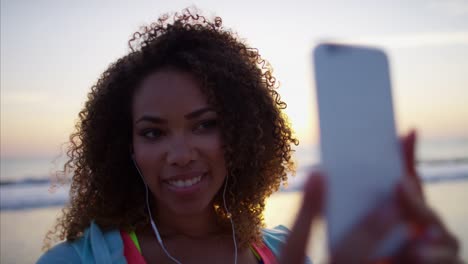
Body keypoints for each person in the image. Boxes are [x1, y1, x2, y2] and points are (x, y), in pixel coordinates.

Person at [38, 8, 460, 264]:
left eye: (205, 124)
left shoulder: (280, 251)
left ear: (241, 133)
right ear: (128, 147)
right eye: (154, 132)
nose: (181, 153)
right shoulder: (73, 260)